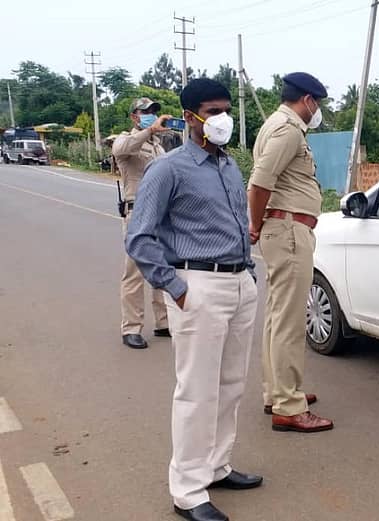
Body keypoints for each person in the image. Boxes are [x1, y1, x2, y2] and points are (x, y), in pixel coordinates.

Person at [126, 79, 262, 521]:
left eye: (226, 110)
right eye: (212, 110)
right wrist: (175, 287)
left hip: (239, 283)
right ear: (189, 117)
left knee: (231, 385)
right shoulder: (169, 169)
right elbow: (139, 237)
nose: (222, 118)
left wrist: (249, 273)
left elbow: (238, 222)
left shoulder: (227, 165)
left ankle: (217, 466)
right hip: (198, 286)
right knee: (196, 392)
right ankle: (188, 491)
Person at [248, 72, 334, 433]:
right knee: (289, 320)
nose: (318, 112)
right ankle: (288, 403)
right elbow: (259, 183)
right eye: (319, 105)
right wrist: (254, 225)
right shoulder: (288, 130)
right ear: (309, 100)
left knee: (276, 317)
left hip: (284, 229)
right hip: (289, 231)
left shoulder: (274, 125)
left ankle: (278, 391)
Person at [112, 97, 172, 349]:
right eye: (145, 112)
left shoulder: (159, 147)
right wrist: (149, 130)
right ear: (134, 117)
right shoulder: (125, 140)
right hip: (138, 213)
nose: (151, 115)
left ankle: (164, 322)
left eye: (153, 112)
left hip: (162, 214)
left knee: (162, 267)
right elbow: (121, 150)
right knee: (135, 272)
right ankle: (132, 328)